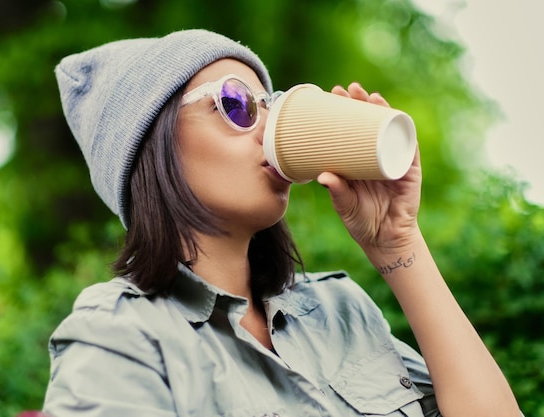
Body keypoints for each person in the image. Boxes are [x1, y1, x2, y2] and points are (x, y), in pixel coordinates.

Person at [43, 29, 522, 416]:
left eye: (270, 106)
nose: (270, 130)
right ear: (152, 144)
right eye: (237, 104)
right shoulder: (118, 337)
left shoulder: (339, 310)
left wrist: (398, 243)